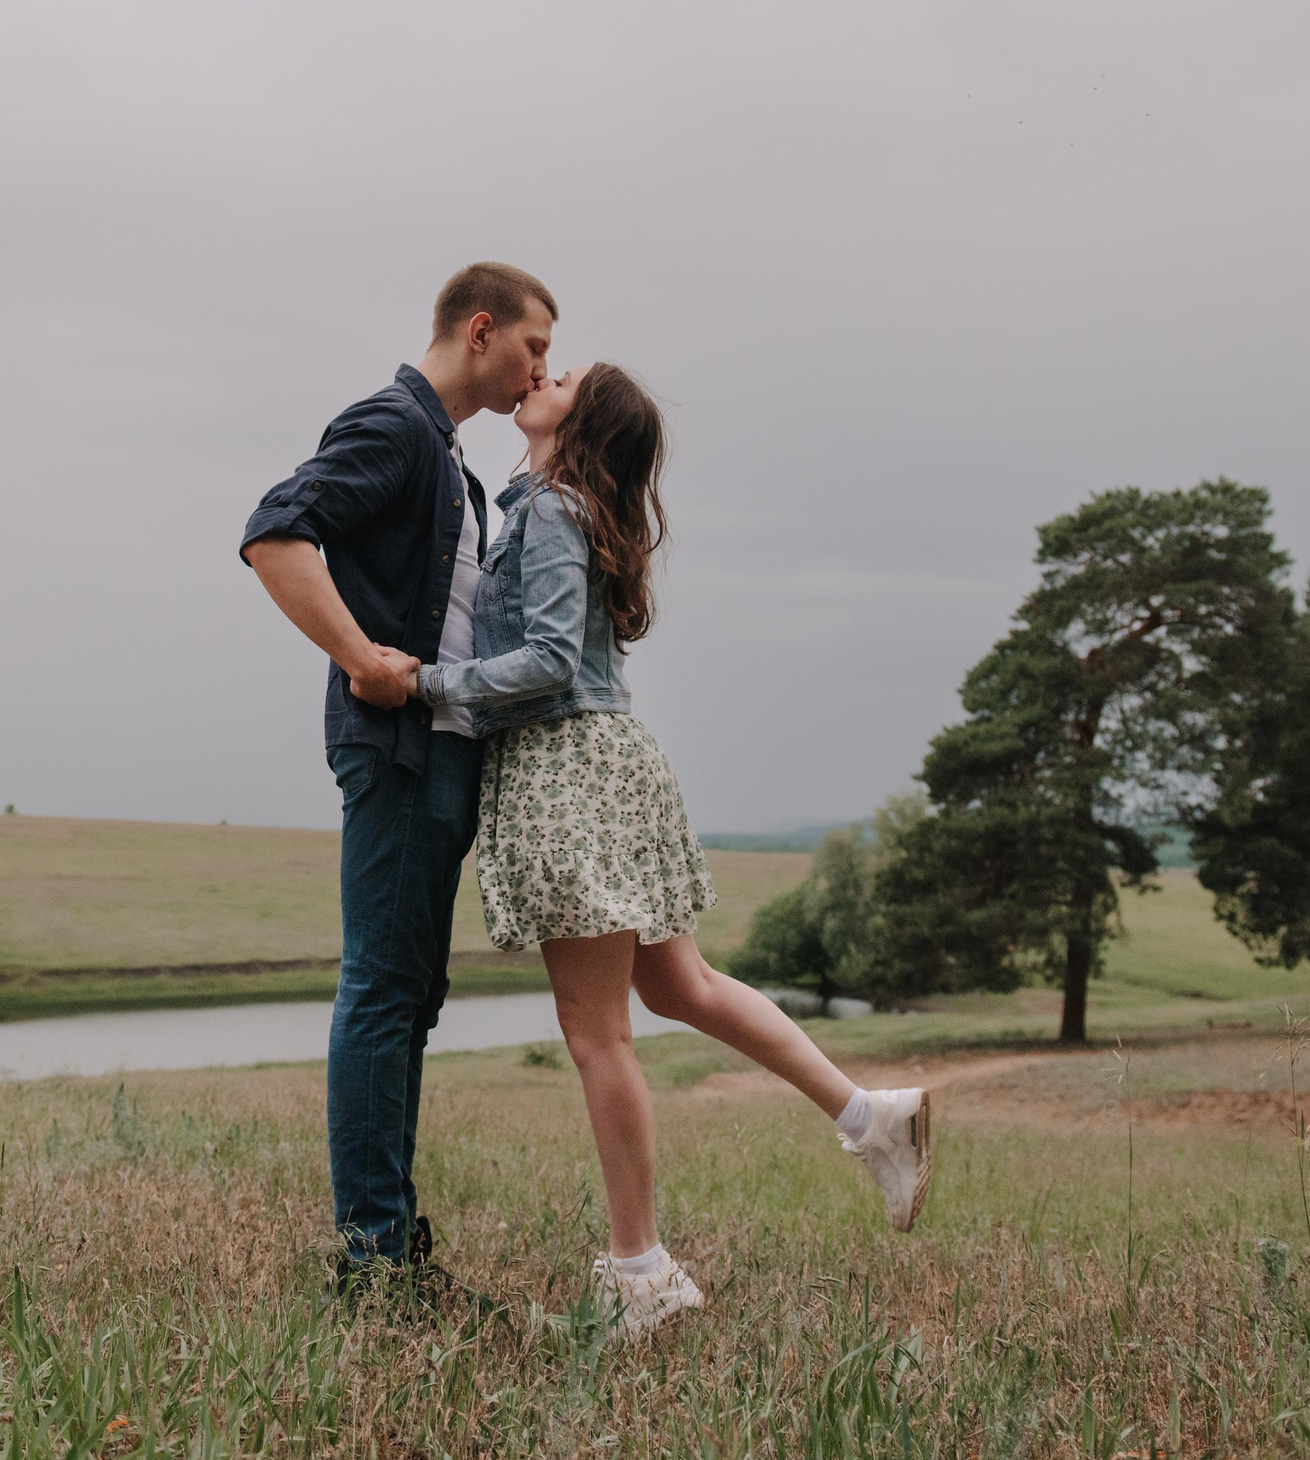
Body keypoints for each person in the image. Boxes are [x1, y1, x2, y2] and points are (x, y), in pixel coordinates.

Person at [378, 361, 931, 1342]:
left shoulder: (553, 508)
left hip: (569, 771)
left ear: (582, 420)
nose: (540, 373)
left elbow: (549, 658)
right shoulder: (560, 504)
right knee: (682, 986)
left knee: (598, 1033)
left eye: (563, 375)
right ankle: (869, 1117)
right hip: (609, 761)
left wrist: (425, 683)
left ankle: (642, 1274)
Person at [239, 261, 557, 1293]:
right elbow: (275, 532)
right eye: (535, 346)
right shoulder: (394, 426)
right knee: (382, 988)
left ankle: (391, 1243)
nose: (540, 369)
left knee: (412, 995)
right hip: (399, 748)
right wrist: (359, 656)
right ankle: (372, 1262)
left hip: (442, 751)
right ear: (480, 329)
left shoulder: (450, 460)